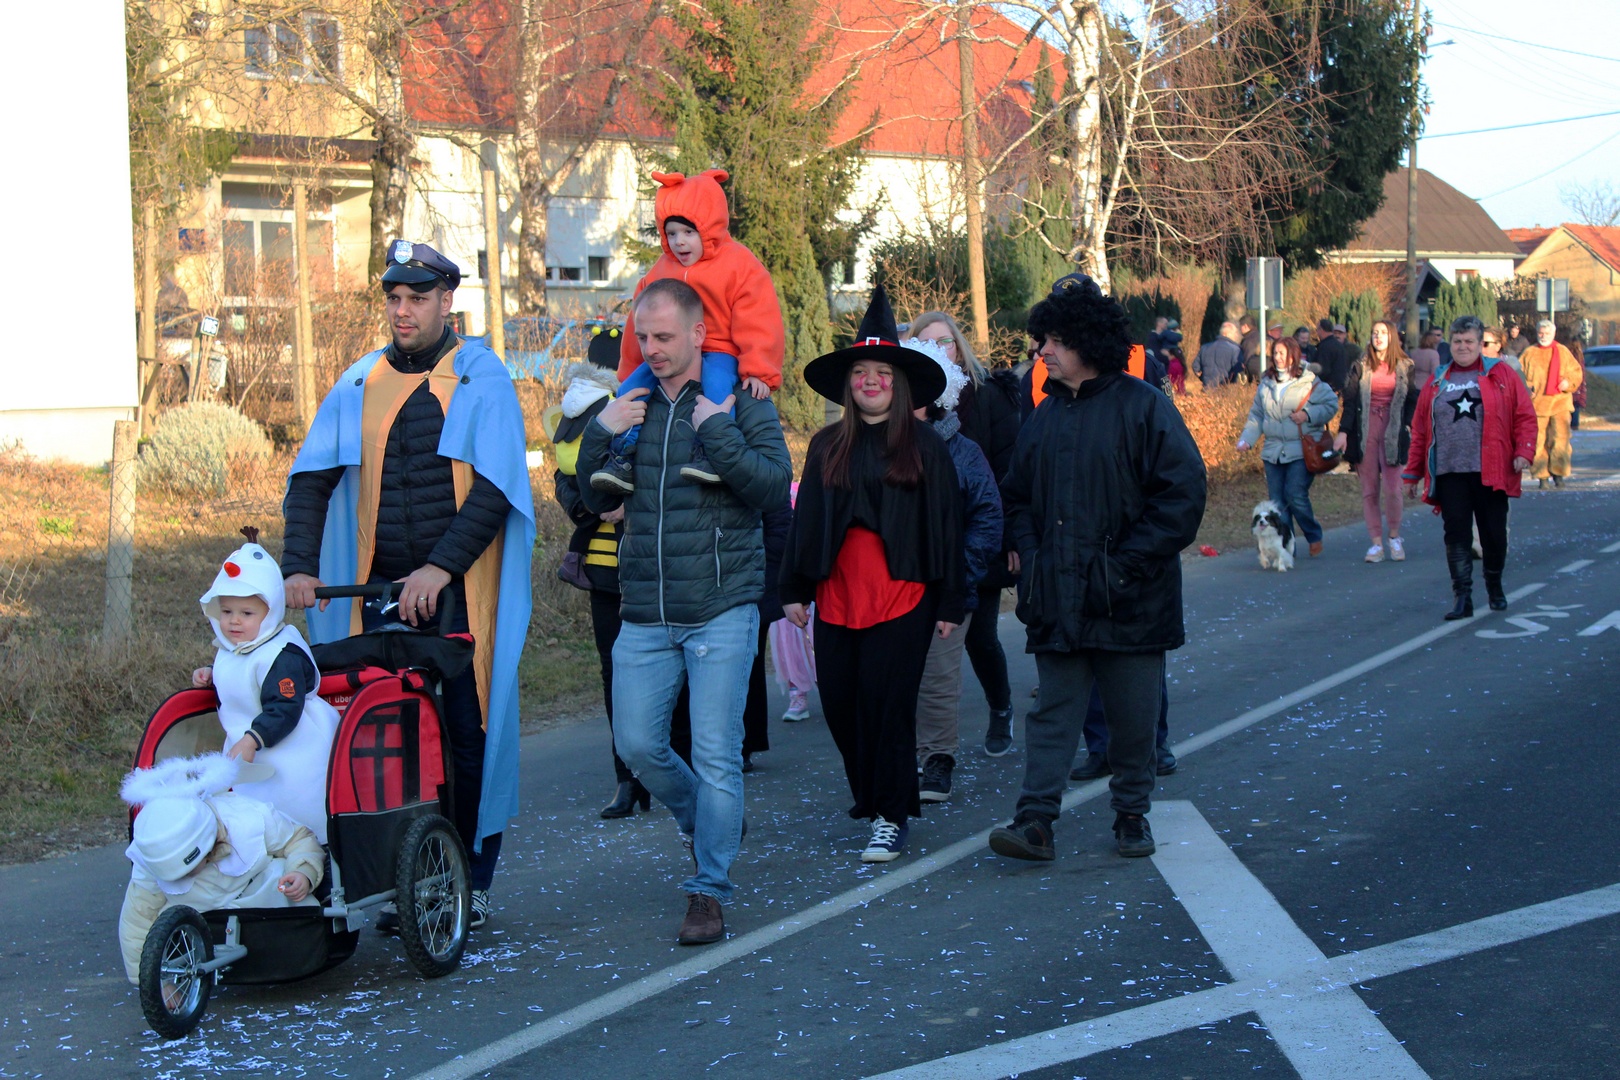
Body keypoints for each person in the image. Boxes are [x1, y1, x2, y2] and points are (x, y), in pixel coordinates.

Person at [282, 240, 535, 931]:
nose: (402, 310)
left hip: (455, 588)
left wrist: (439, 567)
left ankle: (469, 878)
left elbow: (495, 490)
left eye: (416, 298)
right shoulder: (360, 382)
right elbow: (310, 479)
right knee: (377, 732)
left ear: (446, 301)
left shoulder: (480, 376)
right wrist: (298, 566)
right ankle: (399, 871)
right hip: (373, 593)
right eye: (393, 298)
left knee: (464, 731)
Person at [579, 277, 791, 945]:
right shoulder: (631, 404)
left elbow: (773, 487)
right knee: (637, 744)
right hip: (644, 605)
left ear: (700, 333)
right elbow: (592, 495)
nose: (654, 349)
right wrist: (598, 431)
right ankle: (708, 815)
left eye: (666, 336)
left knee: (717, 752)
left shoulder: (737, 398)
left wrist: (719, 434)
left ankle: (708, 891)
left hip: (722, 605)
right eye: (645, 337)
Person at [988, 273, 1206, 864]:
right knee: (1052, 713)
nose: (1043, 351)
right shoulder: (1043, 417)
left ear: (1088, 341)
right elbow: (1019, 499)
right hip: (1057, 595)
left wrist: (1125, 566)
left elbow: (1182, 497)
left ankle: (1132, 814)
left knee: (1134, 718)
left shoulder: (1144, 407)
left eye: (1056, 340)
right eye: (1042, 340)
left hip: (1131, 598)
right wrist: (1032, 560)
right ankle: (1035, 822)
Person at [780, 286, 964, 864]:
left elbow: (946, 526)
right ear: (849, 383)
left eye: (882, 371)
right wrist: (793, 590)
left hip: (904, 598)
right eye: (861, 371)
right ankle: (873, 798)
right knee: (840, 704)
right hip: (836, 598)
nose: (870, 380)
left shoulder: (926, 448)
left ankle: (891, 814)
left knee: (888, 708)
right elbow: (805, 518)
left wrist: (950, 602)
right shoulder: (827, 445)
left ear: (899, 381)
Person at [546, 326, 690, 819]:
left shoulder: (653, 397)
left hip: (657, 563)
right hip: (607, 570)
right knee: (615, 676)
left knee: (675, 673)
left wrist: (634, 502)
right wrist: (593, 506)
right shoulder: (590, 411)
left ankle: (677, 773)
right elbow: (565, 478)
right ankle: (626, 781)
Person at [595, 169, 785, 494]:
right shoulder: (661, 270)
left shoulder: (738, 264)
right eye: (671, 233)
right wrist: (629, 368)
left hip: (720, 349)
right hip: (670, 353)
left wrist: (758, 369)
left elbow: (758, 316)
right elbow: (638, 321)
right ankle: (623, 455)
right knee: (633, 390)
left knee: (715, 389)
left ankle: (706, 453)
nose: (679, 241)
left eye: (689, 231)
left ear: (709, 228)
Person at [909, 310, 1022, 756]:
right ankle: (927, 738)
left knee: (980, 635)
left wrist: (1010, 535)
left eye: (946, 342)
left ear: (960, 346)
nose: (939, 351)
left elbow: (1008, 469)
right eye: (927, 342)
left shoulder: (988, 397)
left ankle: (1000, 707)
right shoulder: (907, 400)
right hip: (925, 549)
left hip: (980, 536)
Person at [118, 755, 325, 986]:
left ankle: (299, 945)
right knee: (153, 912)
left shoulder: (247, 819)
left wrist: (302, 872)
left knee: (280, 875)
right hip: (197, 915)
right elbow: (136, 920)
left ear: (207, 846)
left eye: (186, 871)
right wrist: (155, 984)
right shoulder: (149, 853)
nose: (182, 877)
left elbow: (299, 839)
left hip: (258, 899)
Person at [191, 530, 339, 842]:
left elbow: (285, 707)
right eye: (227, 611)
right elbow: (240, 676)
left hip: (295, 754)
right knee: (256, 817)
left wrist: (252, 740)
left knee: (297, 815)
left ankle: (315, 857)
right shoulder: (233, 648)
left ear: (270, 611)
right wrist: (211, 674)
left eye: (246, 613)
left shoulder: (280, 654)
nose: (234, 621)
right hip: (253, 757)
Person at [907, 338, 1002, 803]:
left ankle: (937, 759)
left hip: (947, 584)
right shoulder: (872, 445)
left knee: (938, 676)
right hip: (889, 588)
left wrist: (961, 573)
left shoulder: (962, 450)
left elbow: (986, 513)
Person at [1403, 315, 1535, 618]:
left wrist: (1524, 451)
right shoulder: (1438, 381)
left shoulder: (1501, 374)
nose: (1463, 347)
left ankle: (1494, 584)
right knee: (1456, 535)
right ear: (1452, 343)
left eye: (1470, 342)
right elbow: (1421, 429)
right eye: (1458, 342)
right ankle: (1462, 597)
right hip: (1450, 472)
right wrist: (1412, 474)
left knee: (1493, 535)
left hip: (1491, 469)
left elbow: (1525, 416)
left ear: (1480, 344)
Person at [1236, 336, 1340, 556]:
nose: (1278, 358)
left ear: (1293, 355)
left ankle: (1313, 534)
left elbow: (1331, 405)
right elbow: (1257, 414)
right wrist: (1247, 439)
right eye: (1275, 353)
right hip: (1273, 451)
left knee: (1294, 494)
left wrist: (1308, 414)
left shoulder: (1310, 381)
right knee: (1277, 503)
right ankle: (1286, 547)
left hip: (1301, 450)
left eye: (1282, 353)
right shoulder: (1266, 383)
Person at [1336, 320, 1418, 564]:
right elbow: (1350, 401)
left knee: (1393, 489)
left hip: (1393, 430)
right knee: (1369, 490)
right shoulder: (1360, 365)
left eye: (1383, 333)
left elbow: (1413, 398)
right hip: (1366, 429)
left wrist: (1410, 424)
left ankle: (1394, 537)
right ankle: (1375, 544)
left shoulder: (1405, 365)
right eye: (1374, 333)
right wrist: (1342, 432)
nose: (1378, 337)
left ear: (1391, 337)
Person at [1519, 319, 1584, 488]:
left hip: (1560, 404)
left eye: (1547, 333)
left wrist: (1568, 383)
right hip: (1536, 406)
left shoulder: (1562, 351)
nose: (1544, 336)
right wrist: (1527, 388)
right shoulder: (1529, 353)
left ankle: (1559, 474)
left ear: (1553, 334)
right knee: (1538, 442)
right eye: (1541, 333)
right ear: (1537, 333)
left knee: (1560, 440)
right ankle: (1542, 476)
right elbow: (1518, 376)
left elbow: (1576, 373)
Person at [1194, 321, 1243, 388]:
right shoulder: (1235, 350)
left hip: (1207, 388)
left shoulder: (1204, 347)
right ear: (1227, 334)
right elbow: (1239, 370)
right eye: (1235, 333)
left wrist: (1203, 378)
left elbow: (1195, 367)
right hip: (1225, 389)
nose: (1236, 336)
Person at [1313, 317, 1348, 395]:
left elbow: (1323, 370)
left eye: (1317, 330)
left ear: (1321, 330)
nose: (1317, 333)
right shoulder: (1340, 346)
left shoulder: (1324, 347)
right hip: (1339, 387)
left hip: (1327, 388)